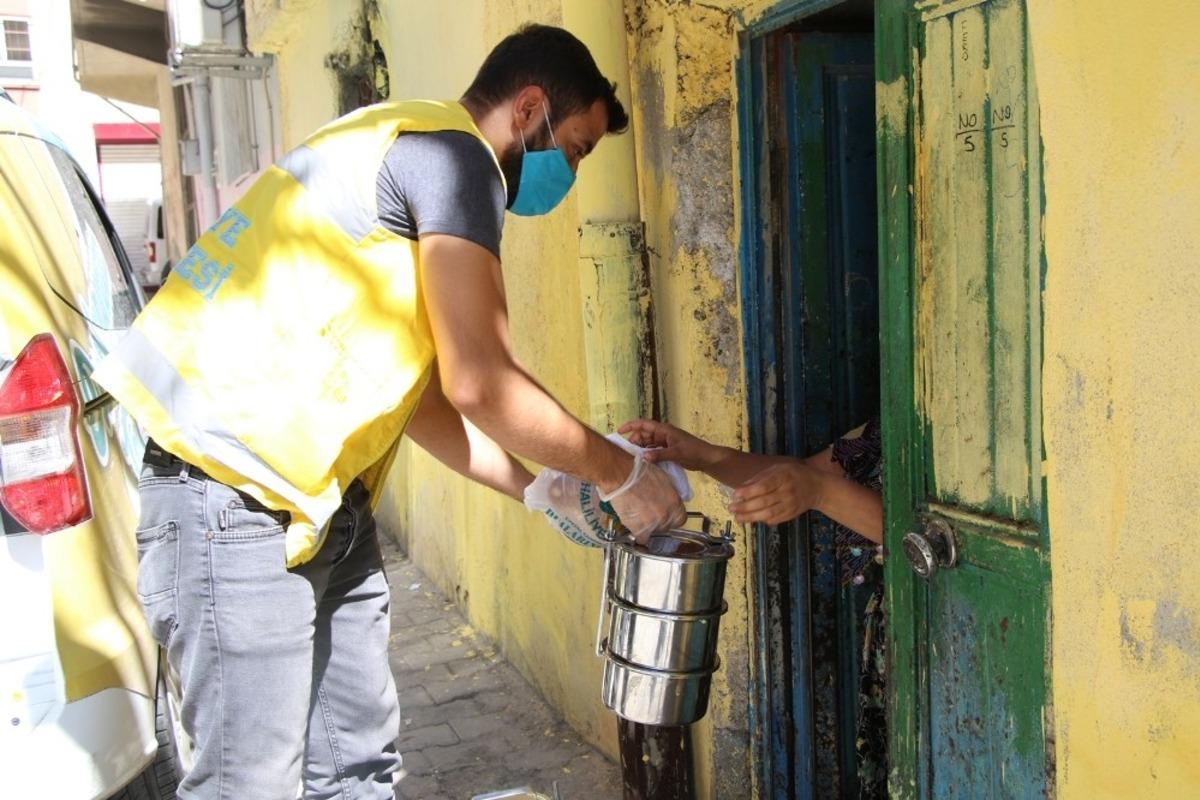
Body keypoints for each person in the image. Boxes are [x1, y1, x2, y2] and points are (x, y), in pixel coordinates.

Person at [94, 24, 685, 800]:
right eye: (572, 149)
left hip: (315, 504)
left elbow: (427, 397)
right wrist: (616, 474)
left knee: (355, 771)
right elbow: (483, 379)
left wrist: (542, 488)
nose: (568, 175)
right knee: (249, 785)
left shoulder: (400, 136)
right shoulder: (450, 160)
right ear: (530, 107)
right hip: (233, 501)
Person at [620, 416, 888, 799]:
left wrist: (820, 493)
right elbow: (807, 473)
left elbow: (933, 534)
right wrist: (706, 456)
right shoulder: (890, 421)